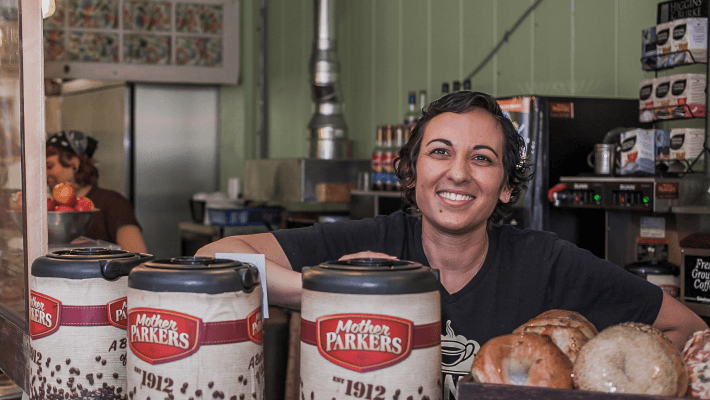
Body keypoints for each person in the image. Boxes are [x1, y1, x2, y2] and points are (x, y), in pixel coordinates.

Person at [196, 91, 707, 395]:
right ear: (413, 172)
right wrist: (328, 290)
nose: (458, 174)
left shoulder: (546, 263)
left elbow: (687, 328)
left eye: (482, 159)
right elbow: (213, 258)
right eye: (440, 153)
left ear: (506, 186)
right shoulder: (373, 243)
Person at [46, 131, 148, 253]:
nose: (45, 174)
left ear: (74, 164)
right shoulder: (53, 207)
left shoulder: (113, 202)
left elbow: (138, 255)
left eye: (49, 166)